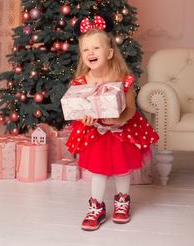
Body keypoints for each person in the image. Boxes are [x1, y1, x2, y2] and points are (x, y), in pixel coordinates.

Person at [66, 14, 159, 231]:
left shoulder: (122, 78)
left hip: (121, 132)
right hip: (95, 133)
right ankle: (96, 207)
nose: (90, 53)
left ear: (108, 53)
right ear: (81, 55)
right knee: (98, 171)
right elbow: (79, 109)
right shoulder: (81, 82)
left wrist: (118, 118)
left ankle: (122, 200)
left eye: (96, 48)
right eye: (86, 49)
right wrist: (86, 120)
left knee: (122, 169)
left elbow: (132, 109)